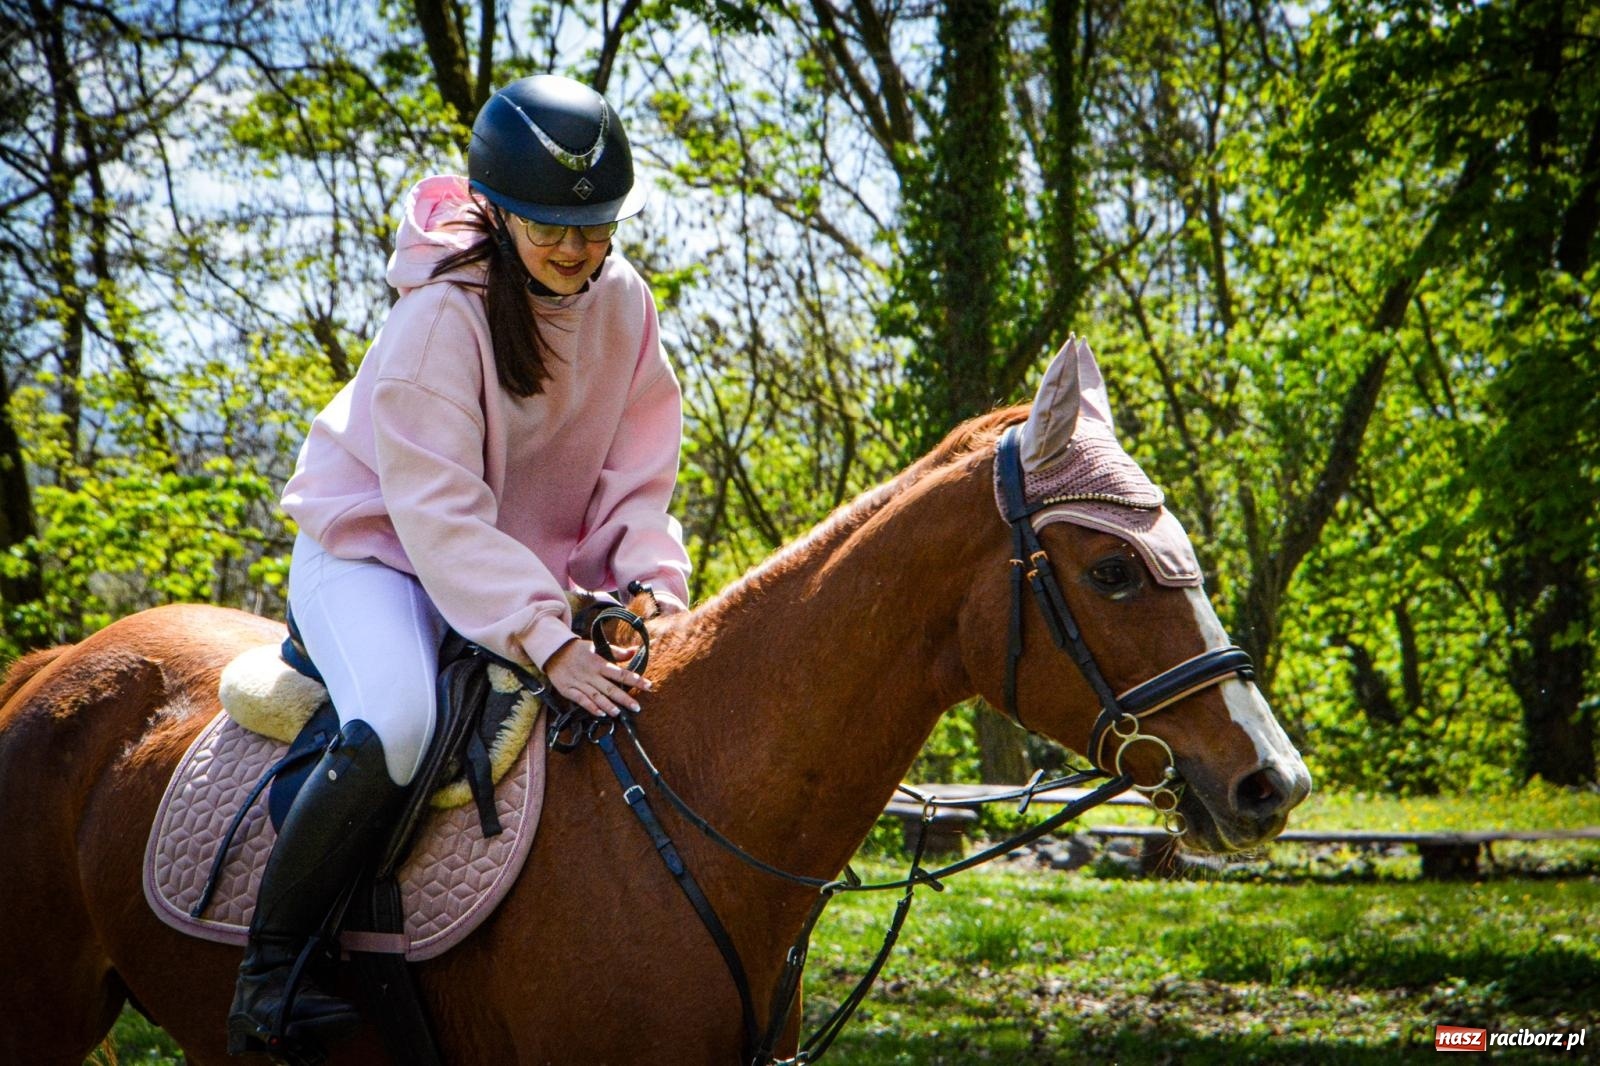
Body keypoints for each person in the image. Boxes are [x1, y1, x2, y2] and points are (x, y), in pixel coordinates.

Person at [226, 74, 691, 1057]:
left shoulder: (624, 304)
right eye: (551, 226)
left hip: (501, 564)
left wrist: (649, 581)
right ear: (497, 209)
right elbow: (437, 515)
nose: (578, 248)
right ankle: (271, 975)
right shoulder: (441, 316)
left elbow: (635, 475)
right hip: (376, 548)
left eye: (597, 225)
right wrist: (543, 638)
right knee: (400, 717)